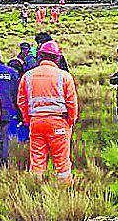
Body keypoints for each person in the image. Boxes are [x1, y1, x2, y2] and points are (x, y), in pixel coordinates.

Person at [17, 41, 79, 182]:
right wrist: (70, 122)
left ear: (40, 56)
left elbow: (21, 101)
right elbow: (71, 103)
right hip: (58, 122)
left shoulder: (28, 76)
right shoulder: (64, 76)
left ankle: (35, 187)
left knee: (37, 160)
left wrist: (28, 120)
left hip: (36, 122)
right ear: (57, 58)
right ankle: (64, 188)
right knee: (62, 161)